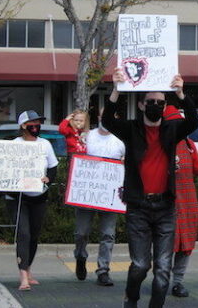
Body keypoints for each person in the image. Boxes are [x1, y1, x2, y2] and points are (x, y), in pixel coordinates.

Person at [103, 68, 198, 308]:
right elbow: (107, 120)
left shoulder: (172, 130)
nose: (155, 105)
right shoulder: (131, 129)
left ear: (165, 105)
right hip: (139, 207)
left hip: (166, 207)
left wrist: (180, 93)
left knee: (163, 269)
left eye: (160, 102)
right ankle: (131, 298)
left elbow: (194, 121)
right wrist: (116, 90)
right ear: (142, 105)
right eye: (151, 102)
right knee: (140, 266)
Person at [0, 110, 59, 291]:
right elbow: (5, 173)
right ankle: (23, 278)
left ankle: (27, 269)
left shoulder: (45, 144)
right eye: (32, 123)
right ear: (23, 126)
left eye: (38, 123)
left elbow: (52, 168)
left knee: (34, 236)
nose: (36, 126)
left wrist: (48, 180)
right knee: (23, 234)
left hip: (39, 197)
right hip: (17, 198)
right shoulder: (14, 145)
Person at [72, 107, 126, 286]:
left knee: (108, 234)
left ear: (116, 117)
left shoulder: (121, 141)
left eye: (111, 115)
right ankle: (80, 256)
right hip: (87, 194)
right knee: (81, 233)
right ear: (99, 117)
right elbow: (75, 157)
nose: (107, 119)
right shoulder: (87, 136)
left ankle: (103, 270)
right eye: (104, 116)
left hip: (110, 196)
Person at [165, 105, 198, 298]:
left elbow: (197, 169)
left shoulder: (188, 143)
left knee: (186, 245)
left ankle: (178, 282)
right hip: (166, 203)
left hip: (187, 201)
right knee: (166, 244)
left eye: (179, 122)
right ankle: (162, 280)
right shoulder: (158, 144)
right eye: (172, 122)